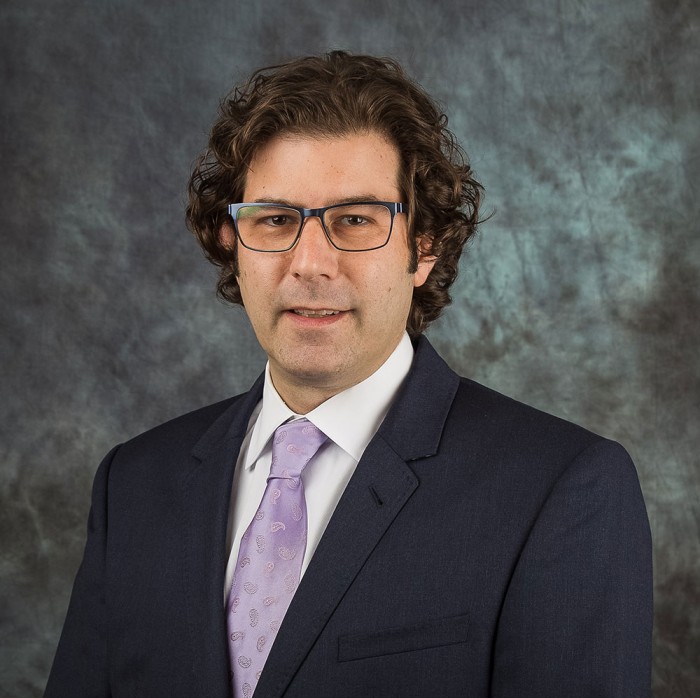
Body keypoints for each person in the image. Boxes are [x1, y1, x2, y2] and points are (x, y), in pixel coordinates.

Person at [45, 51, 652, 697]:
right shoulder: (134, 485)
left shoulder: (562, 488)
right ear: (232, 241)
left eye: (356, 220)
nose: (310, 263)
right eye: (275, 219)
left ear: (424, 246)